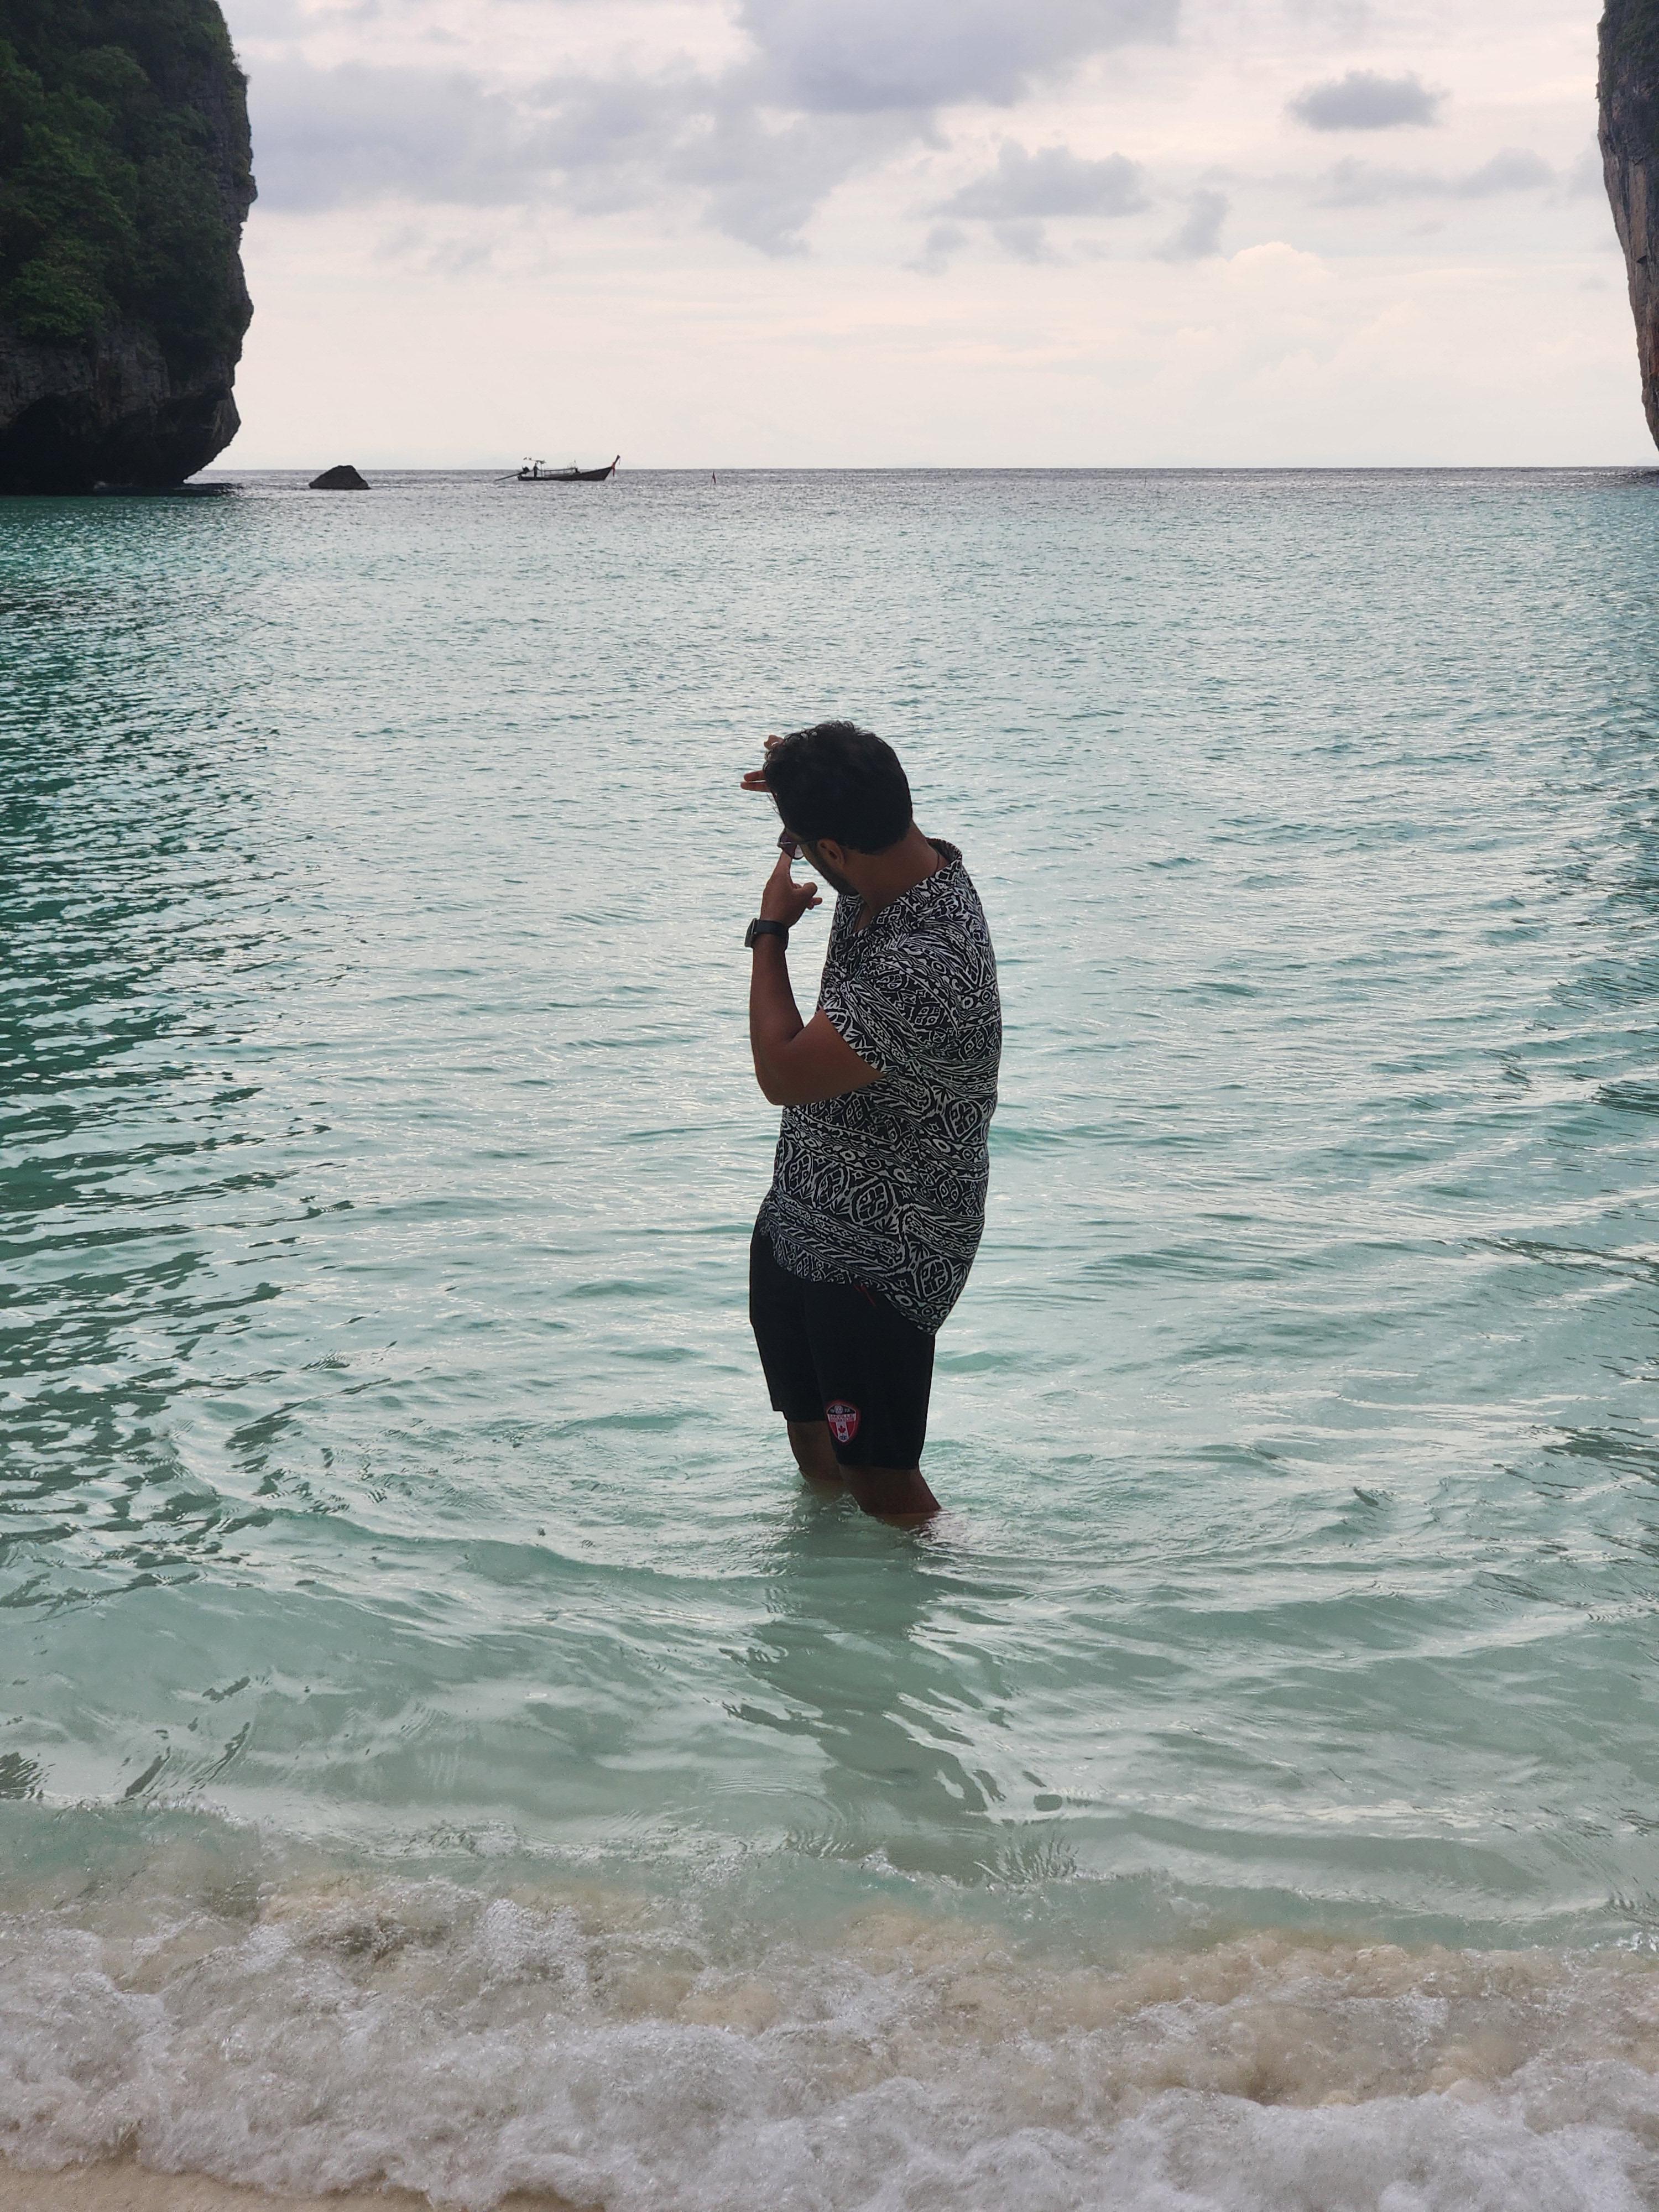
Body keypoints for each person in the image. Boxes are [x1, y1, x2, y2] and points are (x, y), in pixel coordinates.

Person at [740, 721, 1001, 1524]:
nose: (794, 855)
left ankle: (967, 1584)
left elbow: (783, 1075)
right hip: (803, 1209)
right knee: (814, 1447)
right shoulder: (892, 866)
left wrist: (770, 933)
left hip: (887, 1245)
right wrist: (800, 772)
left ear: (835, 850)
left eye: (801, 845)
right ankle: (827, 1594)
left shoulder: (928, 960)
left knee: (883, 1483)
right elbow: (856, 788)